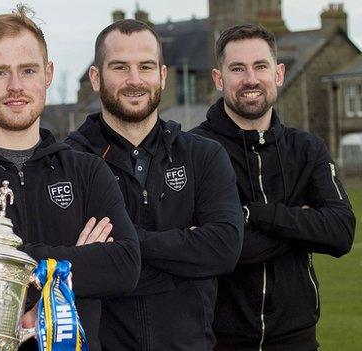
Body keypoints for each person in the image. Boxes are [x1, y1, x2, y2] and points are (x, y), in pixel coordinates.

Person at [0, 5, 140, 350]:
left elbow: (124, 266)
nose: (16, 86)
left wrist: (2, 260)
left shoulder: (86, 170)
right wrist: (73, 264)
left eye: (28, 70)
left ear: (48, 73)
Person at [66, 19, 244, 350]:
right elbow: (68, 268)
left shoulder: (202, 155)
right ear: (96, 77)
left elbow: (223, 250)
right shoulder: (68, 163)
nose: (135, 80)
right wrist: (186, 259)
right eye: (120, 67)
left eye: (145, 67)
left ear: (162, 75)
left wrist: (120, 251)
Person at [191, 24, 356, 351]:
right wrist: (301, 225)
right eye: (237, 68)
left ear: (278, 73)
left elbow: (340, 231)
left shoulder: (308, 149)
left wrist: (254, 215)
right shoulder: (194, 149)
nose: (250, 79)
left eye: (260, 66)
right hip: (217, 341)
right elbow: (213, 250)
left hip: (298, 339)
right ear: (218, 78)